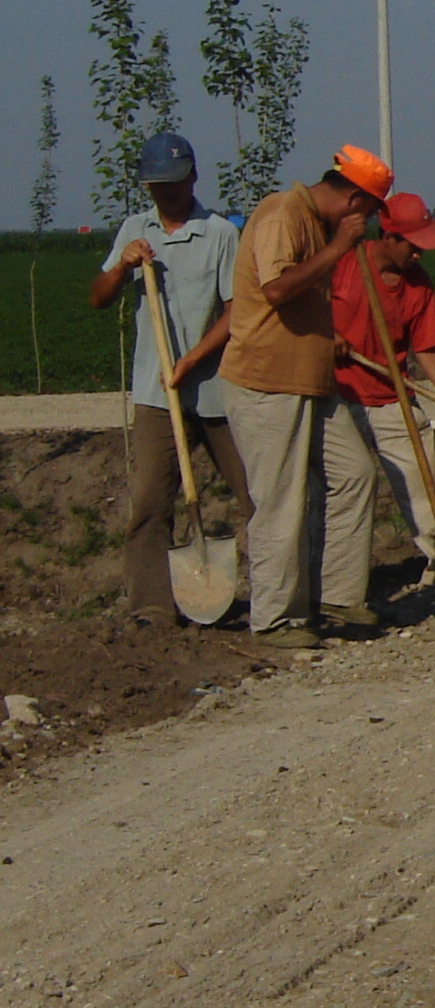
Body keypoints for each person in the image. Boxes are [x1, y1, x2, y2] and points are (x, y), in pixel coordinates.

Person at [220, 146, 393, 648]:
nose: (372, 221)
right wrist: (340, 246)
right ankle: (273, 618)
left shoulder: (317, 225)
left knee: (355, 473)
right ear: (355, 200)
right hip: (267, 382)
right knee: (281, 501)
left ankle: (336, 595)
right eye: (373, 209)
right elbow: (276, 289)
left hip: (310, 380)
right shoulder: (282, 214)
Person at [87, 132, 252, 626]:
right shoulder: (135, 230)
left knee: (255, 494)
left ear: (193, 178)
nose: (166, 195)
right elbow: (98, 297)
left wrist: (192, 359)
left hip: (216, 389)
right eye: (158, 187)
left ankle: (276, 595)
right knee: (150, 503)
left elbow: (234, 311)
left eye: (174, 185)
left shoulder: (221, 233)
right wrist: (123, 264)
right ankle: (152, 607)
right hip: (156, 394)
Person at [320, 193, 435, 628]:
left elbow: (425, 344)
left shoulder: (418, 283)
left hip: (390, 396)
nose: (419, 252)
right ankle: (329, 585)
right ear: (387, 236)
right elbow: (303, 307)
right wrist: (327, 334)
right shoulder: (344, 262)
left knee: (427, 482)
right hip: (336, 397)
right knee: (342, 487)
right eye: (412, 244)